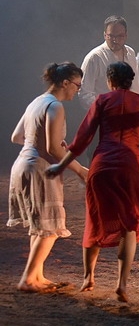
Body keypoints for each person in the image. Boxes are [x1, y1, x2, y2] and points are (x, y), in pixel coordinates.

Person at [47, 61, 139, 302]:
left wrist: (61, 165)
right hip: (129, 166)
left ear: (110, 80)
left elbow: (82, 138)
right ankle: (122, 284)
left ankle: (89, 277)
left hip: (102, 165)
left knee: (95, 219)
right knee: (129, 224)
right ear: (131, 80)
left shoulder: (102, 100)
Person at [8, 62, 88, 292]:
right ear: (65, 83)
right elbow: (54, 148)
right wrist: (80, 170)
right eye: (77, 86)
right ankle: (27, 279)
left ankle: (37, 276)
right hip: (39, 169)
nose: (77, 90)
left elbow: (17, 137)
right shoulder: (55, 106)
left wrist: (38, 143)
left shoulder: (37, 102)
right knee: (50, 228)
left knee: (41, 227)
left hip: (23, 165)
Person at [78, 15, 139, 110]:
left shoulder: (130, 53)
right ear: (104, 35)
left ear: (126, 35)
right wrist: (105, 110)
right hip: (105, 114)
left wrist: (138, 108)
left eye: (120, 36)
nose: (115, 40)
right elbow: (85, 93)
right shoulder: (94, 57)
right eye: (111, 36)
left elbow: (135, 86)